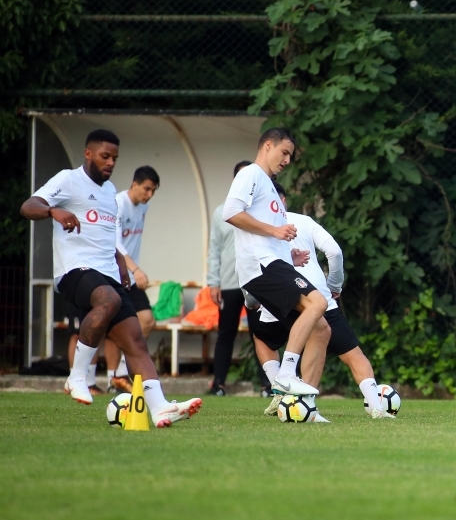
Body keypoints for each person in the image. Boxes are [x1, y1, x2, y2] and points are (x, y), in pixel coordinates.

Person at [20, 129, 201, 426]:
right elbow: (28, 206)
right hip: (74, 270)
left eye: (115, 158)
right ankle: (77, 377)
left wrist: (120, 262)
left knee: (136, 343)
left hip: (107, 273)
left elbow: (108, 237)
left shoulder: (108, 192)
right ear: (88, 153)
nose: (110, 163)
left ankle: (159, 408)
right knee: (109, 299)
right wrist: (54, 212)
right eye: (105, 156)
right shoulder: (69, 179)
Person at [250, 182, 395, 420]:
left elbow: (253, 272)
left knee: (263, 338)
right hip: (319, 296)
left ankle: (283, 387)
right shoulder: (304, 221)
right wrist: (334, 286)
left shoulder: (258, 231)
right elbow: (335, 252)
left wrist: (252, 299)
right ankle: (374, 405)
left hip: (282, 300)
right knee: (353, 354)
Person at [222, 127, 329, 397]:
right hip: (261, 266)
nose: (287, 161)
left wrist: (287, 254)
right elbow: (231, 212)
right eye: (285, 153)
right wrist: (275, 232)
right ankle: (285, 375)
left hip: (273, 263)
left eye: (290, 156)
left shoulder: (269, 186)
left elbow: (268, 236)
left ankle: (305, 405)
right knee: (318, 303)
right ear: (267, 146)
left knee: (321, 327)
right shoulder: (251, 174)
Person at [207, 160, 272, 397]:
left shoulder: (262, 210)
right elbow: (213, 249)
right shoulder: (221, 211)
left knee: (261, 332)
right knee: (226, 333)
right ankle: (218, 384)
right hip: (229, 283)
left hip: (256, 281)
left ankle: (269, 384)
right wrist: (213, 281)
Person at [105, 165, 160, 394]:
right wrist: (136, 269)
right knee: (112, 326)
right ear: (134, 184)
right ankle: (111, 379)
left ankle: (121, 372)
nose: (149, 195)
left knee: (146, 320)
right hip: (114, 272)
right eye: (146, 189)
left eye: (153, 191)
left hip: (130, 275)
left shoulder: (143, 206)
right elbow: (116, 243)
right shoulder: (117, 203)